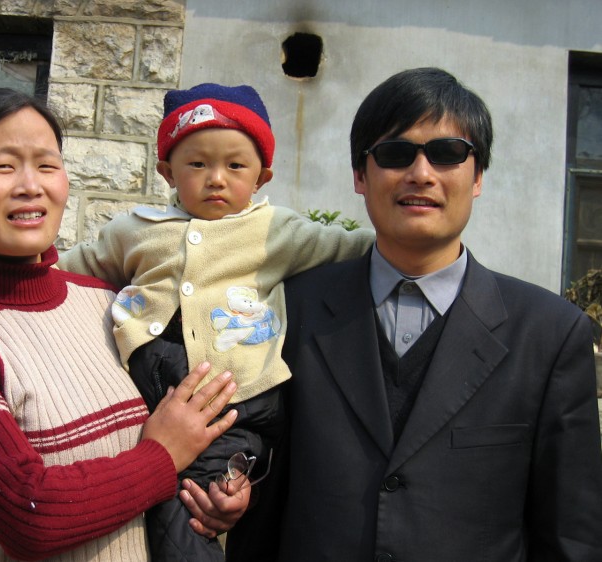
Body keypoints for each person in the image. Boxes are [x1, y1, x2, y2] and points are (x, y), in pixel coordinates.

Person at [227, 67, 602, 561]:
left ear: (479, 175)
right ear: (360, 176)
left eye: (447, 153)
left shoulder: (550, 335)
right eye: (395, 154)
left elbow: (572, 537)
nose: (421, 174)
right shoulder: (292, 310)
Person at [0, 87, 251, 562]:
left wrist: (214, 492)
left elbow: (177, 436)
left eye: (47, 165)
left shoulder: (108, 302)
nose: (31, 185)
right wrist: (163, 456)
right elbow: (31, 516)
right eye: (4, 166)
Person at [56, 82, 375, 560]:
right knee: (129, 507)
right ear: (167, 171)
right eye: (197, 164)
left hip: (236, 406)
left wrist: (413, 241)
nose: (216, 179)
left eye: (235, 166)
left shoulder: (277, 231)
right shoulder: (134, 230)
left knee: (189, 512)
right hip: (149, 396)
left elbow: (352, 247)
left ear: (262, 177)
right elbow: (70, 268)